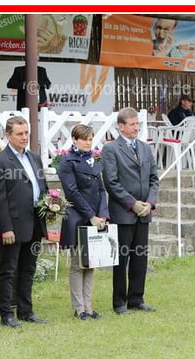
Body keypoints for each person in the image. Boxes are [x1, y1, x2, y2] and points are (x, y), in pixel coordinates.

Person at [0, 116, 48, 328]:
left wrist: (50, 206)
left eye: (26, 133)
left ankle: (26, 311)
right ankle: (6, 314)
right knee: (8, 270)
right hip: (13, 225)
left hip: (35, 223)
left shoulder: (34, 157)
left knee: (28, 269)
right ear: (8, 135)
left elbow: (42, 186)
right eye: (20, 134)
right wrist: (6, 228)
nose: (24, 137)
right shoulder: (1, 160)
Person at [101, 107, 159, 315]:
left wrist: (149, 203)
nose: (136, 128)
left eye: (137, 124)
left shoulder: (145, 148)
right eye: (132, 124)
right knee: (121, 259)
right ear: (121, 126)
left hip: (144, 213)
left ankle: (136, 298)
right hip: (124, 213)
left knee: (140, 258)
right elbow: (111, 182)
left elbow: (154, 178)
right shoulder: (111, 149)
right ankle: (119, 302)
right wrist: (132, 203)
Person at [58, 124, 109, 321]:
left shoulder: (93, 160)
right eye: (84, 139)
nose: (88, 143)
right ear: (74, 139)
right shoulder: (67, 161)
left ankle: (88, 307)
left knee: (91, 263)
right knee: (78, 264)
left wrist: (102, 214)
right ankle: (79, 308)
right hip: (78, 218)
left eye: (90, 139)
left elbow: (102, 189)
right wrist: (91, 216)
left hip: (96, 218)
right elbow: (72, 192)